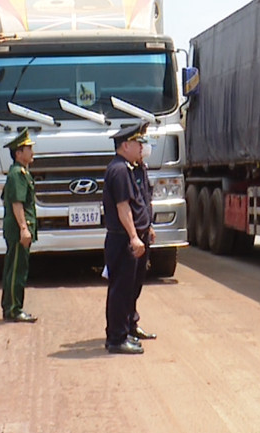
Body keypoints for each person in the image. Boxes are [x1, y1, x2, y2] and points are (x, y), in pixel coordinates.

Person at [102, 121, 155, 354]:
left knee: (130, 288)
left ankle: (126, 329)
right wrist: (134, 237)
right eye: (137, 143)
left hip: (132, 237)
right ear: (125, 145)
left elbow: (140, 202)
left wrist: (145, 228)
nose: (141, 147)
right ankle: (116, 338)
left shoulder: (130, 168)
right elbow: (123, 208)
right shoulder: (120, 170)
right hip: (123, 240)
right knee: (120, 290)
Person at [1, 129, 38, 323]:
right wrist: (24, 228)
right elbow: (17, 203)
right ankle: (14, 309)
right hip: (17, 230)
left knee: (13, 268)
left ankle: (10, 307)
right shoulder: (17, 174)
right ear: (18, 153)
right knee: (17, 269)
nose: (32, 151)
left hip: (17, 229)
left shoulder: (20, 172)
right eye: (28, 148)